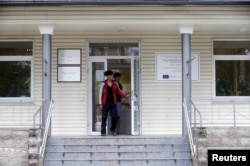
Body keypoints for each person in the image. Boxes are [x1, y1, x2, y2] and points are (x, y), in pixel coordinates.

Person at [99, 70, 128, 136]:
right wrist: (100, 103)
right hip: (105, 103)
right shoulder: (103, 84)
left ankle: (113, 130)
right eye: (111, 75)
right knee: (104, 117)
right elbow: (100, 94)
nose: (113, 76)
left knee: (114, 116)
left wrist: (125, 95)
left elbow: (119, 91)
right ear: (108, 76)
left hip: (113, 103)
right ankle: (103, 132)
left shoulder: (115, 84)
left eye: (112, 75)